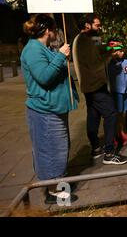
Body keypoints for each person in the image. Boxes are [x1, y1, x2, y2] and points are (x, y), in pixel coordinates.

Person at [20, 14, 79, 204]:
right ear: (48, 31)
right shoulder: (32, 50)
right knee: (50, 149)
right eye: (55, 29)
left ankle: (57, 184)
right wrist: (61, 55)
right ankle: (55, 193)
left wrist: (62, 56)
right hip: (44, 110)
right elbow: (44, 77)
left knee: (59, 147)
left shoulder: (42, 47)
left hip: (54, 108)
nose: (57, 32)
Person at [72, 14, 127, 165]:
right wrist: (110, 54)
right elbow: (95, 63)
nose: (100, 28)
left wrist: (110, 47)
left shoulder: (91, 38)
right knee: (111, 113)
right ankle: (109, 153)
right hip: (94, 85)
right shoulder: (84, 41)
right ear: (87, 25)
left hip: (92, 85)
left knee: (93, 115)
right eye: (97, 25)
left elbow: (99, 50)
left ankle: (96, 148)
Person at [107, 41, 127, 147]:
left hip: (126, 91)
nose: (122, 52)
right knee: (117, 114)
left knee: (123, 113)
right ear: (113, 52)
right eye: (119, 51)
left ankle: (123, 132)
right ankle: (116, 135)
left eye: (122, 50)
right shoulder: (111, 64)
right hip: (117, 92)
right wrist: (111, 51)